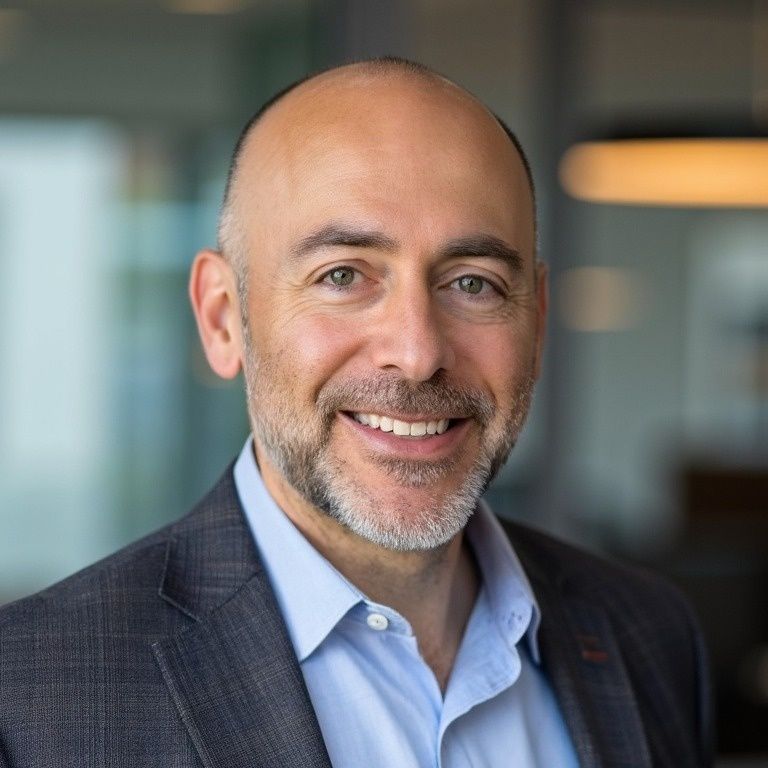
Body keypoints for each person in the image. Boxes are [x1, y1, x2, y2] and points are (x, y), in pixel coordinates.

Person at [0, 57, 711, 768]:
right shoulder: (29, 702)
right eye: (342, 276)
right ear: (223, 319)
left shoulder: (647, 633)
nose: (417, 350)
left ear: (539, 320)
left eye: (474, 283)